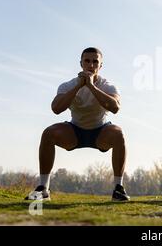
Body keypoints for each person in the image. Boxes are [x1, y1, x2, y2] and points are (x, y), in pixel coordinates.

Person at [25, 47, 130, 201]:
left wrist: (92, 87)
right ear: (81, 63)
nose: (91, 65)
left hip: (100, 132)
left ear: (100, 66)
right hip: (74, 132)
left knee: (118, 133)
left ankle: (118, 189)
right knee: (48, 133)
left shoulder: (108, 86)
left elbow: (115, 108)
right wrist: (79, 86)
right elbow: (56, 108)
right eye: (87, 61)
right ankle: (43, 189)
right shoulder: (68, 85)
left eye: (95, 62)